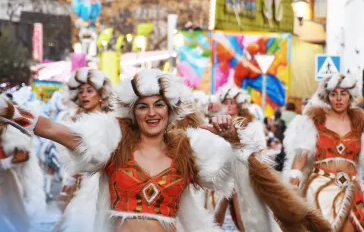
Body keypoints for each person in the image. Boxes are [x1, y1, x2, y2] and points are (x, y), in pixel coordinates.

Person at [0, 69, 331, 232]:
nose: (152, 112)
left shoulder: (191, 149)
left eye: (159, 104)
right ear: (133, 112)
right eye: (143, 107)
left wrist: (231, 140)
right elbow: (59, 132)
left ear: (170, 110)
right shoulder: (111, 144)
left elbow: (237, 169)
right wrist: (11, 112)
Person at [284, 73, 364, 231]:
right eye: (334, 94)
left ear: (350, 96)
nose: (339, 99)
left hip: (352, 189)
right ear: (328, 97)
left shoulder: (362, 123)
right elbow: (300, 159)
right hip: (320, 189)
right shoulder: (315, 120)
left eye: (343, 94)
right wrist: (291, 192)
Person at [56, 68, 114, 211]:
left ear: (101, 94)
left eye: (89, 90)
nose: (84, 95)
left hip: (104, 184)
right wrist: (69, 183)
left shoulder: (113, 122)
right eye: (81, 91)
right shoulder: (74, 121)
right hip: (79, 184)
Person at [215, 85, 267, 231]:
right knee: (213, 216)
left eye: (232, 102)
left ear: (240, 104)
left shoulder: (252, 125)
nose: (229, 105)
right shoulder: (218, 123)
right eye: (226, 102)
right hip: (221, 175)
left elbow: (260, 149)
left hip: (243, 175)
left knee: (244, 217)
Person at [0, 100, 46, 232]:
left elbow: (23, 155)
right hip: (6, 177)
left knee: (16, 218)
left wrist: (11, 160)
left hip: (8, 180)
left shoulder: (10, 126)